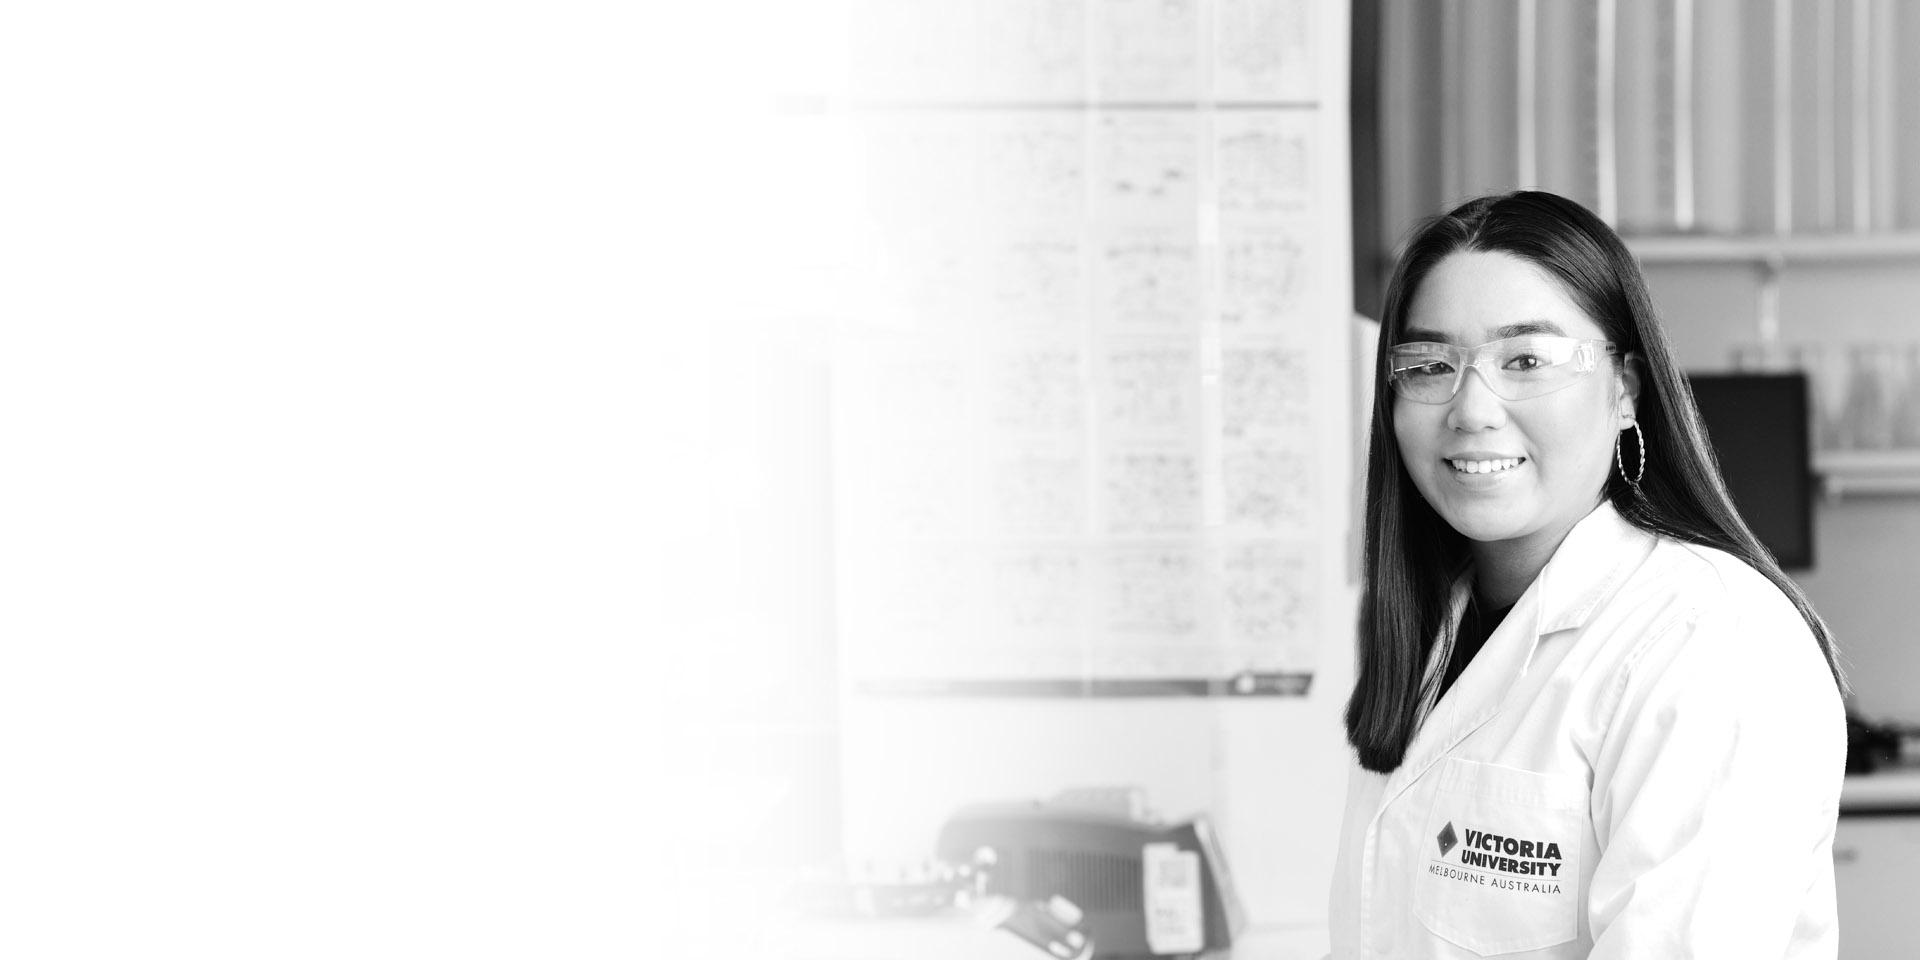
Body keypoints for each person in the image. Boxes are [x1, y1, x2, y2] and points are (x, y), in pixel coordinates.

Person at [1328, 190, 1848, 959]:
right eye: (1431, 365)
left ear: (1627, 388)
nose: (1472, 409)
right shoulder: (1433, 627)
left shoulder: (1711, 642)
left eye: (1527, 360)